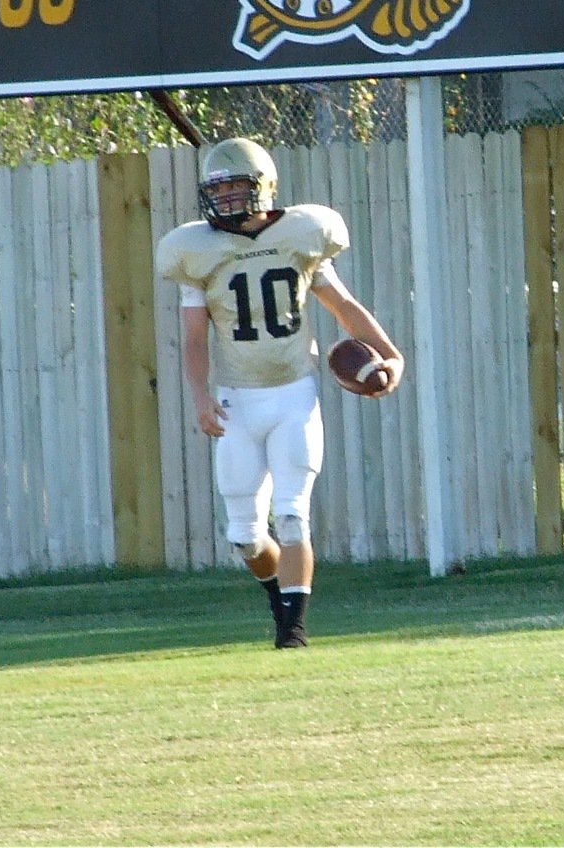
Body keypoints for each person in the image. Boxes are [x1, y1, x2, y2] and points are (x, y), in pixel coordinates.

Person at [155, 137, 404, 648]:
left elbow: (345, 308)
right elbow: (195, 338)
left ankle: (294, 629)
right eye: (216, 188)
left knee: (292, 515)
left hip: (293, 393)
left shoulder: (300, 236)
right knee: (244, 536)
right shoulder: (195, 250)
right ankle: (278, 595)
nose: (224, 197)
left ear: (262, 187)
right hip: (237, 401)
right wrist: (200, 396)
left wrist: (388, 352)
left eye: (234, 185)